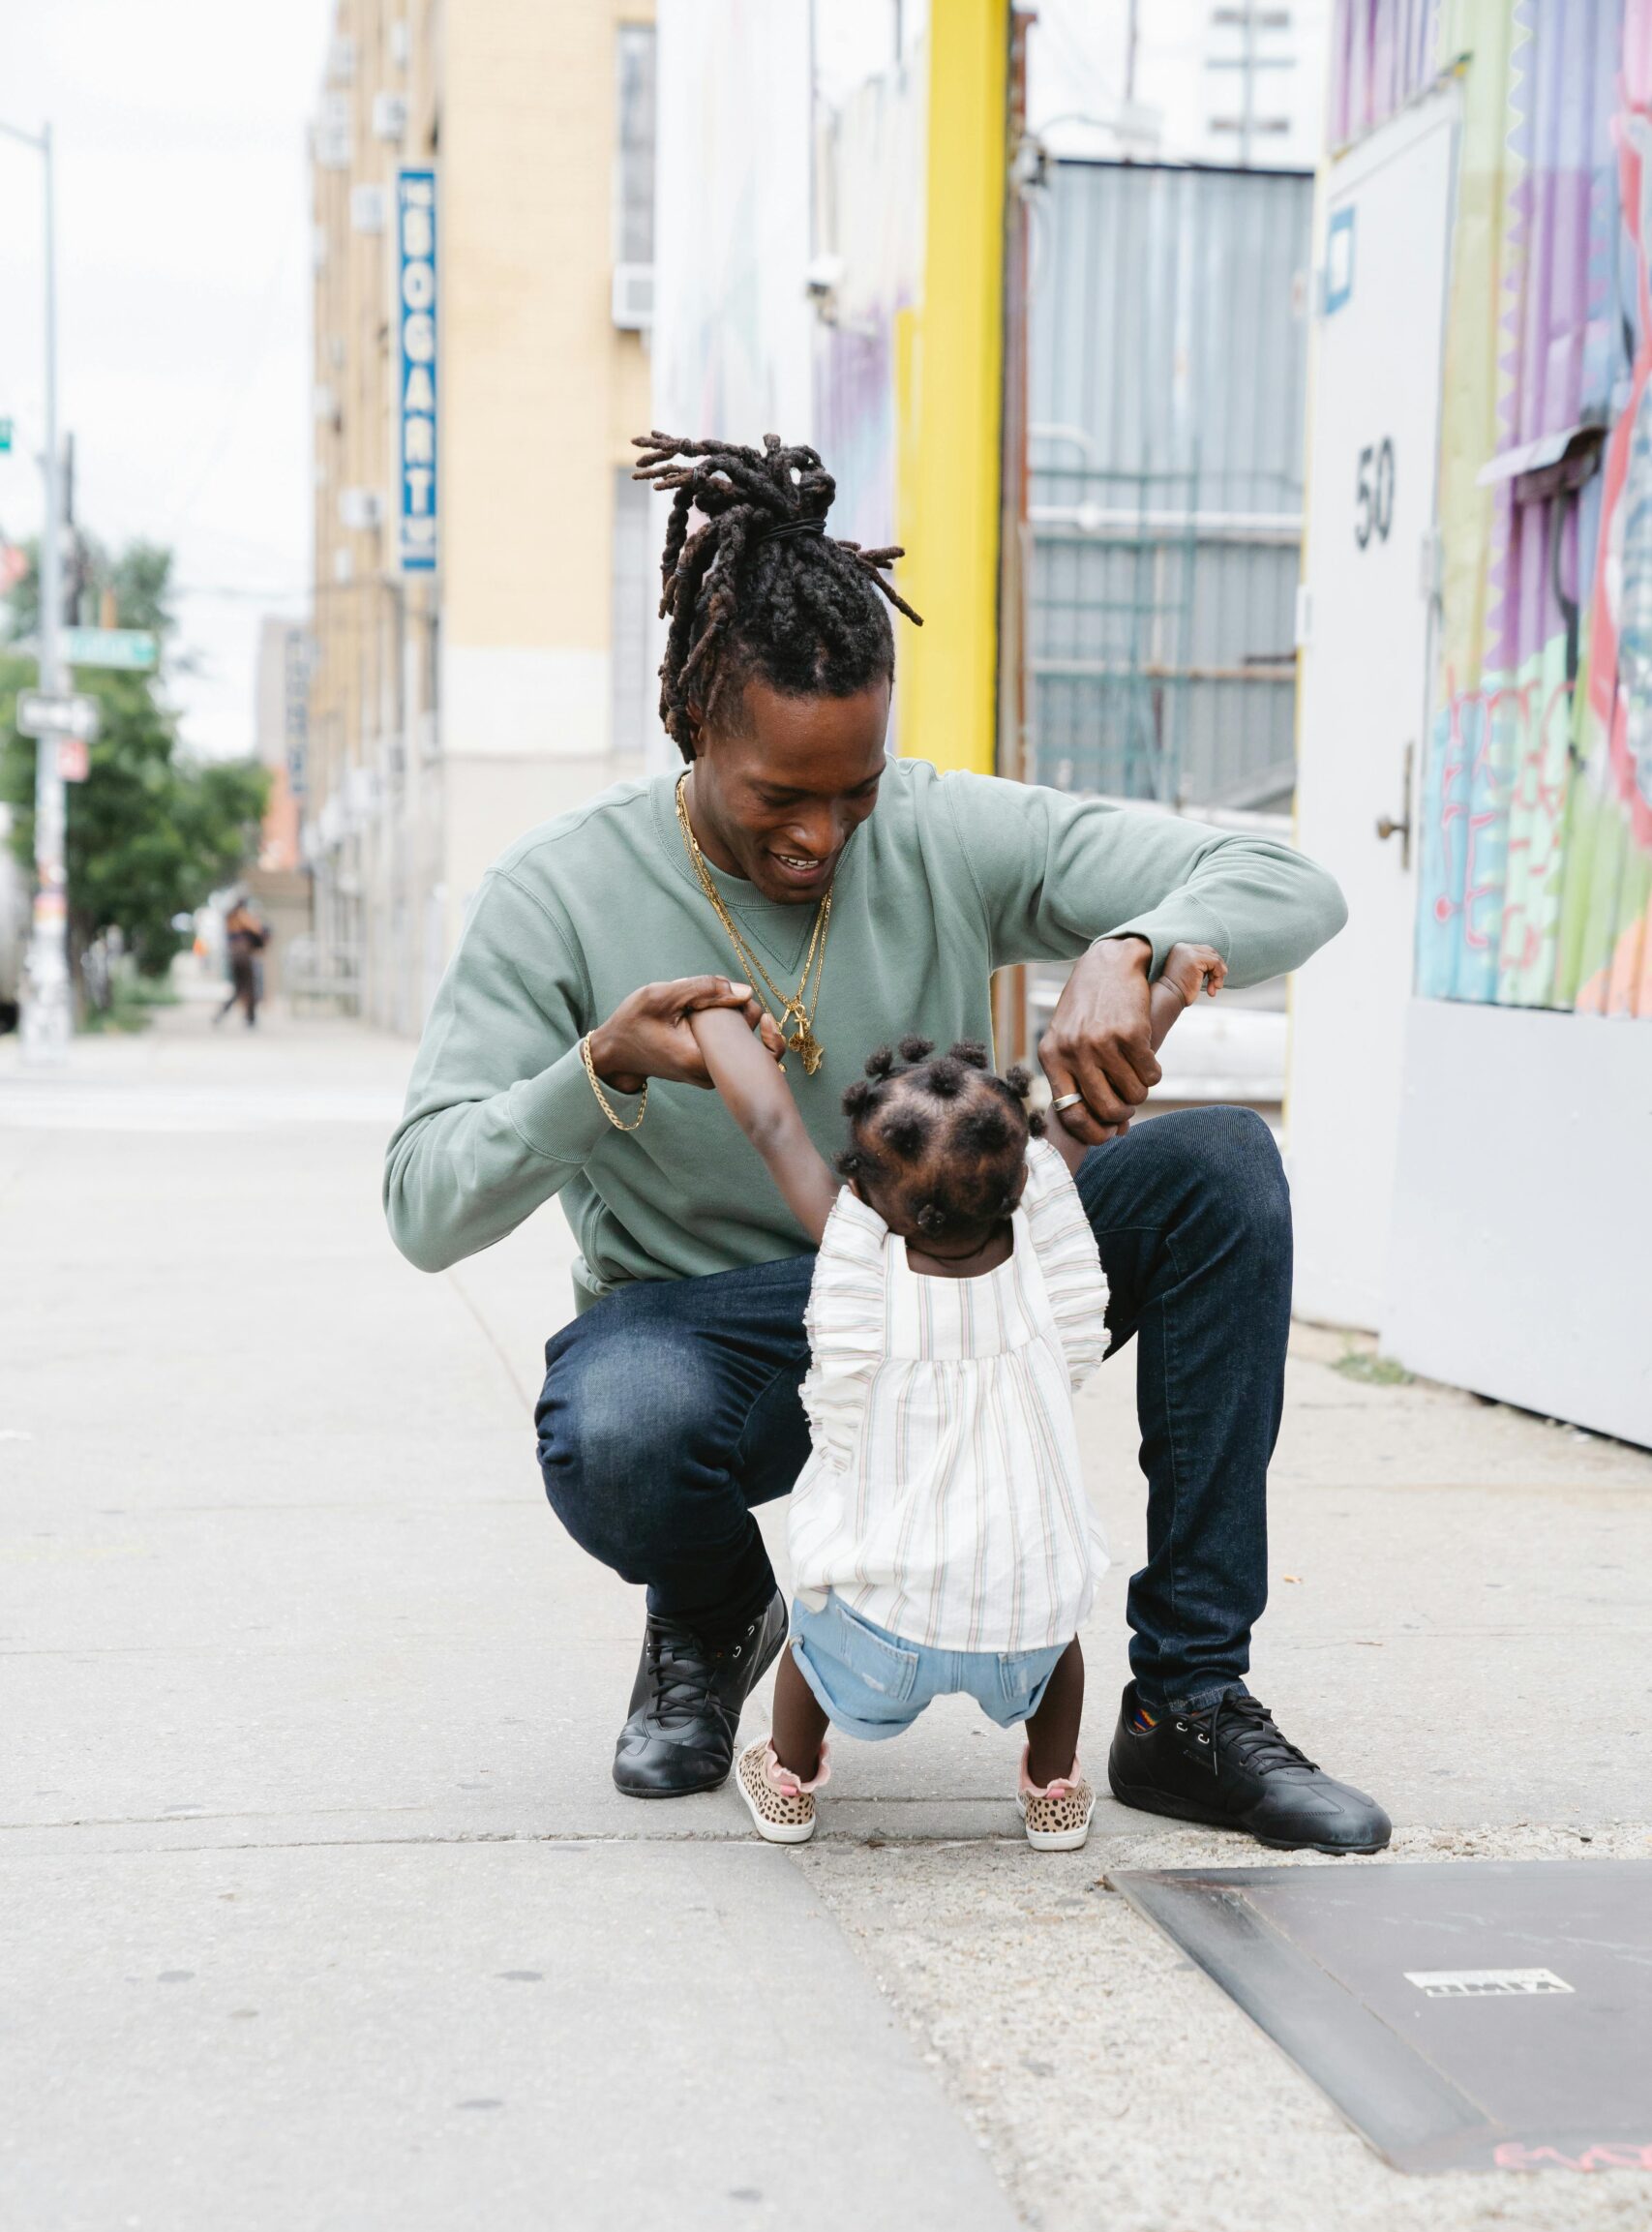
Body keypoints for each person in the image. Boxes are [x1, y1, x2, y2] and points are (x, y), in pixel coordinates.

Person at [385, 430, 1391, 1855]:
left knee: (1222, 1168)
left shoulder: (932, 827)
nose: (822, 835)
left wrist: (1145, 941)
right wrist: (596, 1065)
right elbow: (423, 1206)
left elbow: (1291, 881)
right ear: (691, 728)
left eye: (849, 790)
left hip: (948, 1279)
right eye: (776, 797)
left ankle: (1185, 1703)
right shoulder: (556, 892)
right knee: (612, 1434)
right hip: (706, 1335)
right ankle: (718, 1605)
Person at [690, 945, 1225, 1851]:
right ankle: (1053, 1789)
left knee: (811, 1646)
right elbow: (1090, 1112)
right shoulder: (1049, 1300)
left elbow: (774, 1128)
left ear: (868, 1188)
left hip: (878, 1631)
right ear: (1019, 1181)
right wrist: (1167, 990)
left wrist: (711, 1020)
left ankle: (784, 1776)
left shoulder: (859, 1267)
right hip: (1021, 1625)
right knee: (1061, 1647)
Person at [215, 899, 267, 1029]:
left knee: (239, 988)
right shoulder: (241, 916)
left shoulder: (229, 917)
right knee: (249, 987)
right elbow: (257, 929)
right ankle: (251, 1018)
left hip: (234, 956)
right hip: (243, 956)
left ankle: (223, 1013)